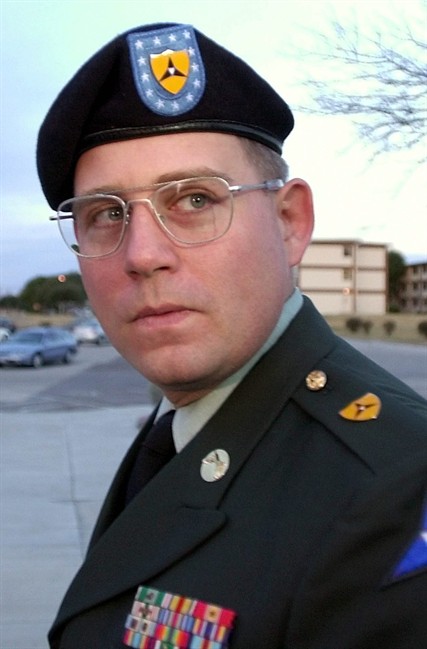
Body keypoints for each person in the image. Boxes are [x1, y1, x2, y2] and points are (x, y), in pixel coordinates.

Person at [36, 23, 427, 649]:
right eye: (107, 213)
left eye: (194, 198)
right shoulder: (180, 430)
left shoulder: (395, 487)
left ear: (290, 223)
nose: (143, 254)